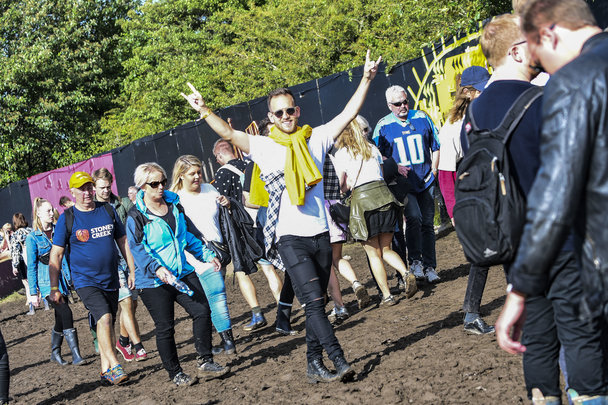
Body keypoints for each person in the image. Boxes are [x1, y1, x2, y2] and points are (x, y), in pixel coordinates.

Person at [182, 49, 380, 383]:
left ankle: (313, 363)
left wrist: (366, 79)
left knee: (317, 303)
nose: (286, 116)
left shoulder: (316, 137)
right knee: (314, 302)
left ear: (297, 111)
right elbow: (229, 135)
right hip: (289, 238)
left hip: (321, 233)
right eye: (279, 112)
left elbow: (349, 112)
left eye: (290, 110)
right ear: (271, 117)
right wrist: (204, 110)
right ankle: (339, 360)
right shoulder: (263, 146)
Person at [494, 0, 608, 403]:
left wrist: (520, 290)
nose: (540, 65)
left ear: (550, 33)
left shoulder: (574, 81)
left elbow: (555, 195)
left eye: (537, 51)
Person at [126, 162, 229, 387]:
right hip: (153, 280)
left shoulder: (174, 204)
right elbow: (138, 249)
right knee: (165, 327)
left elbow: (188, 234)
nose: (161, 187)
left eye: (163, 181)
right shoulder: (136, 216)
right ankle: (176, 373)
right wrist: (156, 268)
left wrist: (206, 254)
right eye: (154, 184)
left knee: (202, 310)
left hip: (182, 272)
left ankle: (205, 361)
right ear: (142, 186)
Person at [48, 171, 136, 385]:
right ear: (72, 192)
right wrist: (54, 287)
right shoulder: (68, 218)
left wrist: (133, 270)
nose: (87, 192)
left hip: (111, 278)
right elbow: (56, 254)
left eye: (89, 187)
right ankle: (115, 365)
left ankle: (105, 371)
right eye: (82, 189)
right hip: (85, 281)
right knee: (104, 318)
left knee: (107, 322)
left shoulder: (107, 210)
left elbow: (123, 241)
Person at [332, 120, 416, 306]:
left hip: (363, 206)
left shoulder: (342, 154)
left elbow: (341, 185)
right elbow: (380, 174)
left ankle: (387, 295)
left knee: (374, 254)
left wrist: (346, 187)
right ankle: (406, 273)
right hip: (385, 200)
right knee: (386, 249)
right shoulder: (372, 148)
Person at [373, 85, 441, 284]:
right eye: (397, 104)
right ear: (389, 105)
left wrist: (434, 170)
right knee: (413, 217)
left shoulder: (421, 117)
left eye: (405, 101)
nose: (403, 106)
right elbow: (376, 154)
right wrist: (395, 166)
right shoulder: (383, 126)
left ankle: (430, 266)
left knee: (428, 223)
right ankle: (415, 262)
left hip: (426, 179)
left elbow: (436, 145)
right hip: (402, 183)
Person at [169, 155, 236, 355]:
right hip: (195, 255)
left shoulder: (209, 189)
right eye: (192, 173)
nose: (197, 176)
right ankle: (228, 341)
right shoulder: (175, 198)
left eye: (199, 172)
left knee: (209, 298)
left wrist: (227, 203)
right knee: (217, 293)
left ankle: (213, 340)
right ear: (181, 175)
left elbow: (222, 217)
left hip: (219, 251)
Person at [212, 139, 271, 332]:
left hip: (241, 228)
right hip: (261, 219)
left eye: (216, 159)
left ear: (220, 155)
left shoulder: (222, 173)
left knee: (241, 270)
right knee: (269, 267)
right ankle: (284, 311)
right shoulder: (250, 165)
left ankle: (257, 314)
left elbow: (221, 204)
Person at [92, 168, 147, 362]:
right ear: (94, 187)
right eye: (101, 187)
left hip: (129, 257)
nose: (105, 191)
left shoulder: (121, 203)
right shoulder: (92, 209)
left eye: (108, 187)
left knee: (132, 304)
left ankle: (123, 341)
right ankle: (138, 346)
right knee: (126, 302)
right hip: (111, 262)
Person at [26, 198, 84, 366]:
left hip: (63, 280)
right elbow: (31, 266)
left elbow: (68, 255)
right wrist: (33, 293)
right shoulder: (32, 238)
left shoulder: (59, 229)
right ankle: (76, 355)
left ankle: (55, 352)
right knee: (66, 312)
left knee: (60, 318)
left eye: (52, 210)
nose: (52, 213)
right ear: (38, 213)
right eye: (48, 211)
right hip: (46, 283)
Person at [8, 214, 36, 314]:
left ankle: (32, 308)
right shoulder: (32, 230)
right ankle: (46, 304)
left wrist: (15, 265)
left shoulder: (15, 235)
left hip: (24, 261)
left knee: (27, 284)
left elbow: (15, 252)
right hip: (36, 258)